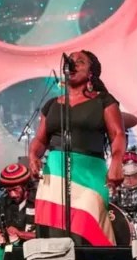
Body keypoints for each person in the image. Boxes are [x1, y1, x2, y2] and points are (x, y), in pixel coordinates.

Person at [28, 50, 125, 246]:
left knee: (90, 228)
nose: (73, 64)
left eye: (80, 62)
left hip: (90, 173)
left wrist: (117, 162)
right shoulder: (52, 105)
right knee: (55, 236)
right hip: (55, 172)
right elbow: (40, 139)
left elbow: (118, 134)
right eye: (70, 61)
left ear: (91, 73)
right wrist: (33, 155)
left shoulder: (103, 100)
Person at [0, 163, 36, 260]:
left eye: (15, 189)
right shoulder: (1, 202)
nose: (12, 194)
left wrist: (20, 234)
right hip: (7, 257)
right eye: (8, 190)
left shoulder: (39, 201)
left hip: (33, 256)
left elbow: (47, 236)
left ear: (25, 185)